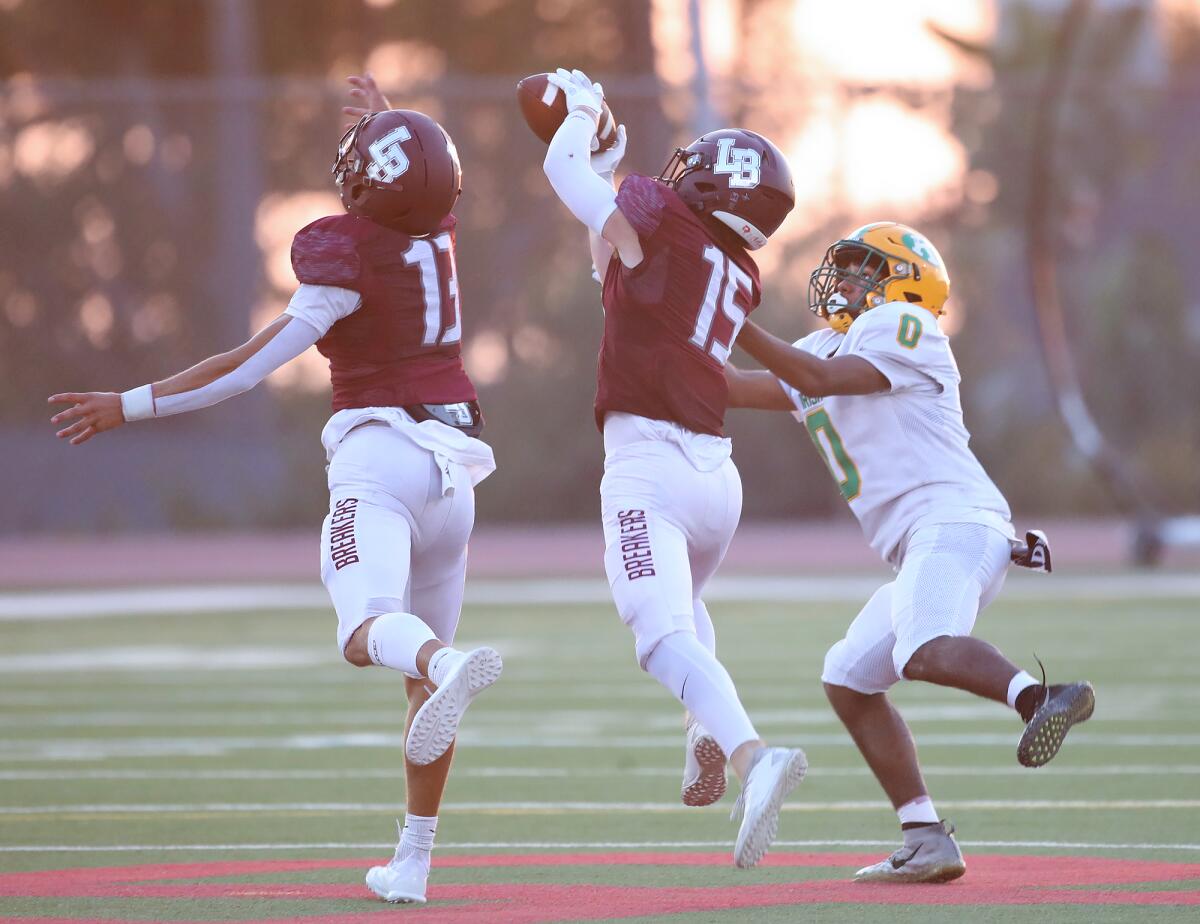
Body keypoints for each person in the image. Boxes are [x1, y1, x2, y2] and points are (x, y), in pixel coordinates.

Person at [48, 91, 502, 906]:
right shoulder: (437, 234)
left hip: (381, 465)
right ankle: (414, 862)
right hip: (455, 478)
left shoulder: (346, 261)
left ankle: (447, 660)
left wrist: (131, 403)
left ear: (369, 187)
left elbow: (244, 367)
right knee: (419, 686)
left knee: (368, 633)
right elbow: (415, 181)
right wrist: (395, 121)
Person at [725, 221, 1096, 883]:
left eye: (861, 269)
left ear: (903, 280)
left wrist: (727, 313)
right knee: (848, 677)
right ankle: (926, 836)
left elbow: (815, 375)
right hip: (926, 540)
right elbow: (728, 386)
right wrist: (661, 334)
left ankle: (1041, 695)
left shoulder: (905, 325)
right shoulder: (825, 343)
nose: (842, 280)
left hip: (951, 520)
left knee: (920, 648)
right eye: (843, 268)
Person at [540, 68, 807, 868]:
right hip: (714, 481)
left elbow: (563, 177)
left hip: (650, 465)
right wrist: (607, 157)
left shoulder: (665, 224)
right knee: (684, 612)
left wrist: (581, 118)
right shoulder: (729, 269)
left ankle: (755, 758)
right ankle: (704, 733)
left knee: (659, 641)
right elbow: (610, 270)